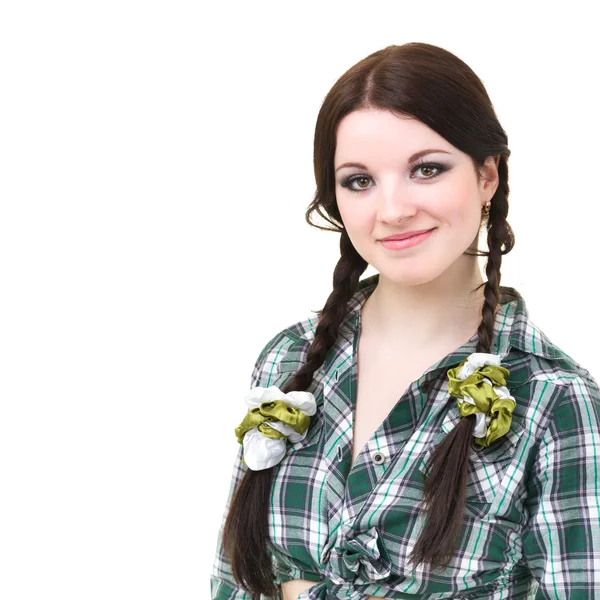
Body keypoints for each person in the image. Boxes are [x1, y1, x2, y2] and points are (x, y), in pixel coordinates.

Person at [210, 41, 600, 599]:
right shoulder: (291, 357)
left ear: (487, 175)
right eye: (359, 180)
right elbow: (235, 582)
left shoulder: (554, 401)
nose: (392, 210)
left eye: (427, 169)